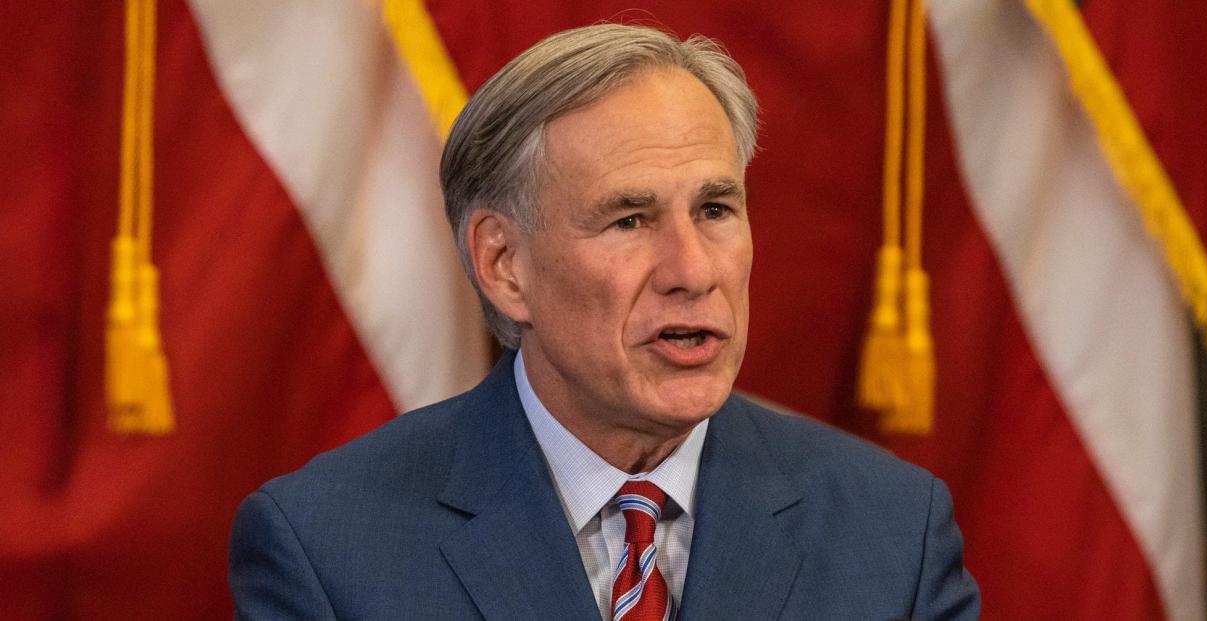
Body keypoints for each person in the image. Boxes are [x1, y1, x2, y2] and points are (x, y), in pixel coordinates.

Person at [229, 23, 980, 620]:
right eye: (629, 219)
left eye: (715, 209)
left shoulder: (892, 533)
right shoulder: (328, 549)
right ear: (504, 265)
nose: (693, 270)